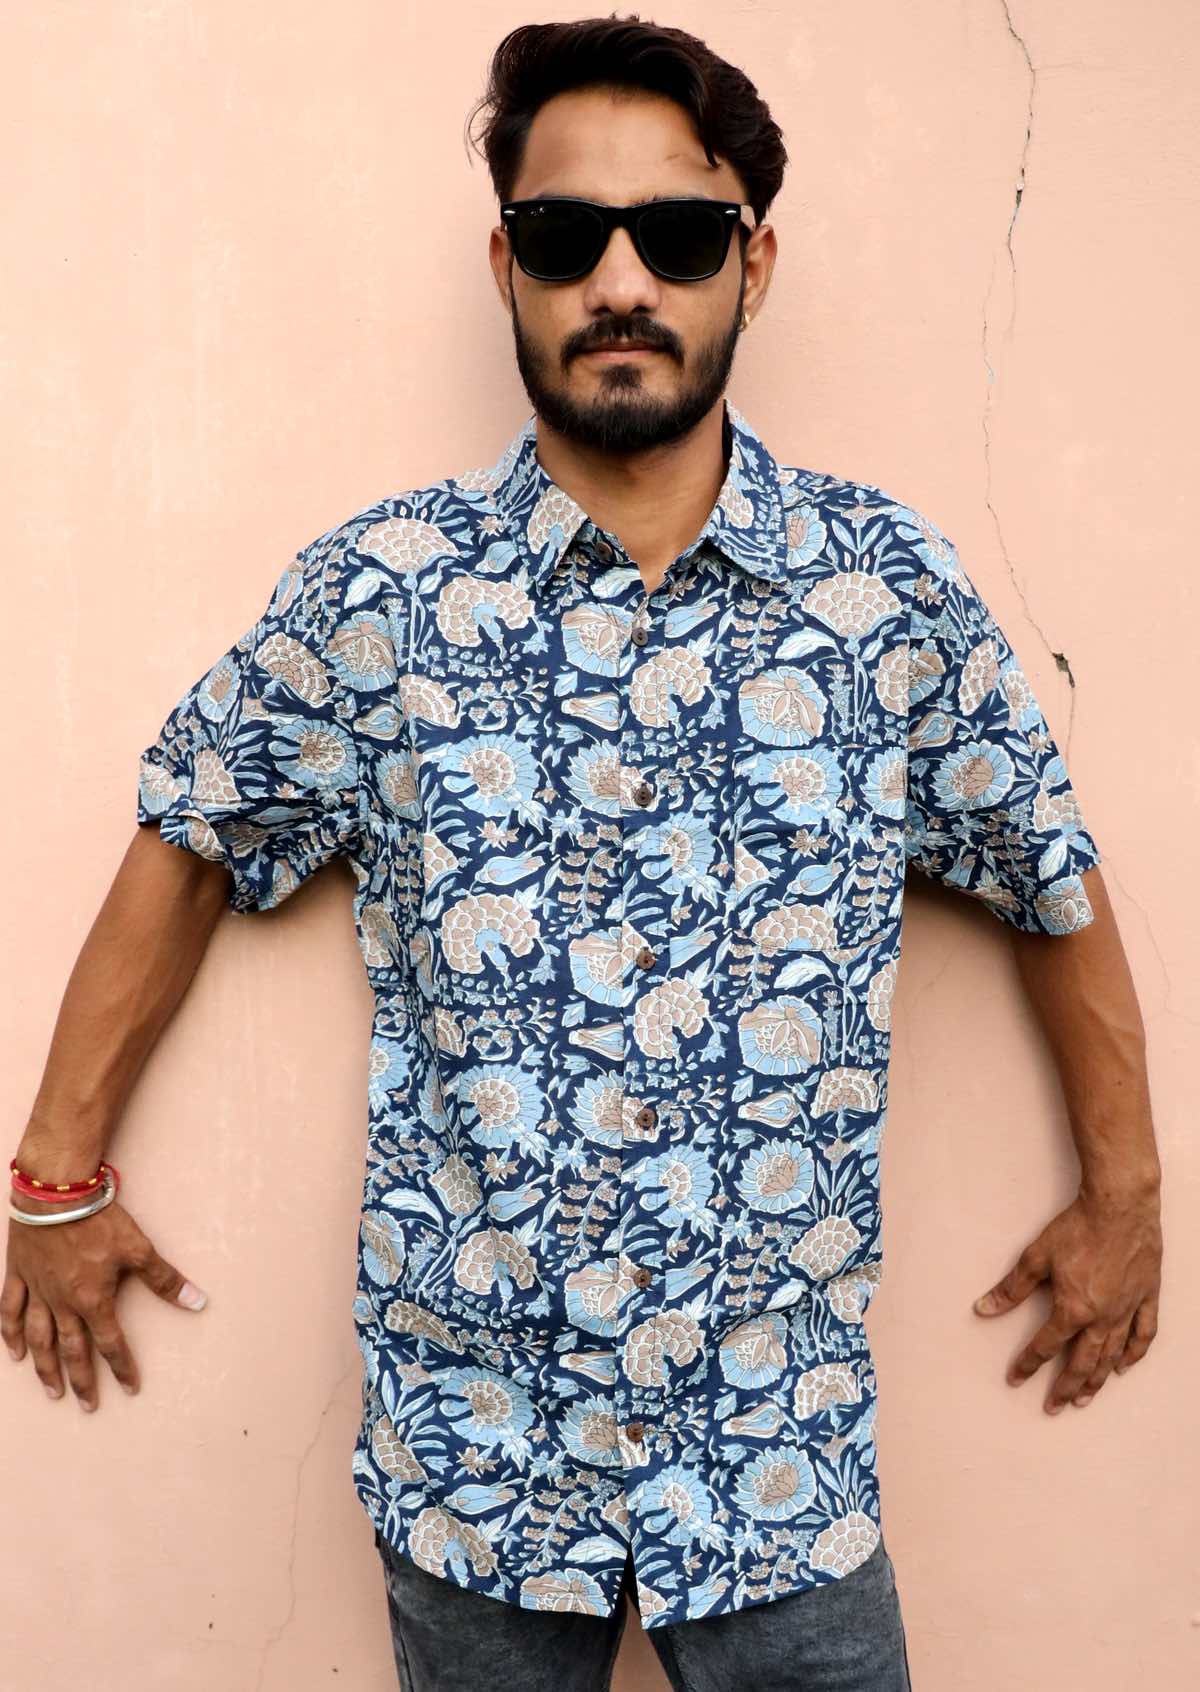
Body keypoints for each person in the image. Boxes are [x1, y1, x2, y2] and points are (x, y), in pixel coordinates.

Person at [5, 16, 1162, 1692]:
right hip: (478, 1461)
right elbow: (192, 835)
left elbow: (1047, 876)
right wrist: (54, 1181)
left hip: (779, 1459)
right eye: (567, 237)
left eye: (677, 236)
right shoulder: (383, 597)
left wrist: (1127, 1195)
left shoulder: (884, 594)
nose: (623, 279)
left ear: (751, 262)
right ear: (508, 266)